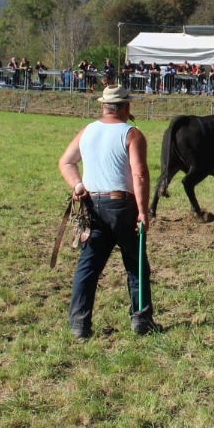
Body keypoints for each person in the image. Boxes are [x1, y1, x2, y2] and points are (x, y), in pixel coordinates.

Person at [57, 84, 156, 340]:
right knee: (135, 265)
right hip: (122, 205)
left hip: (92, 205)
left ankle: (79, 326)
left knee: (88, 267)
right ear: (126, 107)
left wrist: (78, 185)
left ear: (103, 106)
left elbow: (66, 161)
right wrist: (143, 212)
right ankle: (141, 321)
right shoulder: (132, 134)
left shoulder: (87, 131)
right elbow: (140, 175)